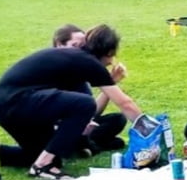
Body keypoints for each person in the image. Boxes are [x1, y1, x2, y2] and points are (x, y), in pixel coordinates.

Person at [0, 25, 143, 180]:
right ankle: (42, 166)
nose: (111, 62)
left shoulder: (75, 61)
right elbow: (124, 103)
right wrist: (150, 130)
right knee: (83, 104)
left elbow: (91, 111)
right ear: (107, 52)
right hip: (15, 103)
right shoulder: (86, 62)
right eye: (111, 56)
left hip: (6, 105)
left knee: (50, 153)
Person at [51, 23, 129, 155]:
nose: (82, 51)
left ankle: (87, 144)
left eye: (83, 46)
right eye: (76, 46)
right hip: (57, 125)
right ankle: (85, 145)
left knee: (117, 119)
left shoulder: (79, 68)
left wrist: (111, 84)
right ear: (59, 44)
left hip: (77, 123)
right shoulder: (54, 68)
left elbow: (92, 111)